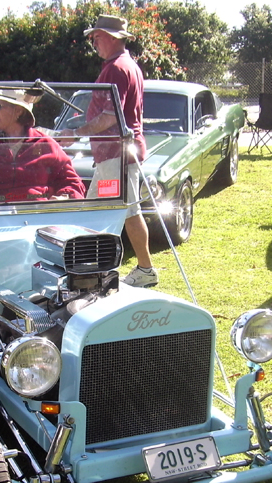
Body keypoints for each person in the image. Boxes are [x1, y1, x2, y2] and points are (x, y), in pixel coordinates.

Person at [60, 14, 157, 287]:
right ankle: (92, 272)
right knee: (93, 215)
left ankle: (146, 270)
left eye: (97, 37)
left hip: (118, 155)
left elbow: (110, 116)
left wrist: (75, 134)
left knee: (128, 210)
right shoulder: (124, 66)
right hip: (113, 156)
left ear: (113, 37)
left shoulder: (116, 68)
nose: (93, 42)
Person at [0, 89, 85, 202]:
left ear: (18, 111)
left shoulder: (45, 144)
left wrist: (64, 197)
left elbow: (73, 182)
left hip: (37, 215)